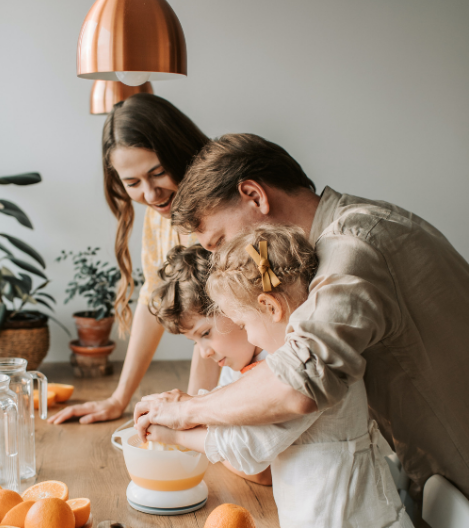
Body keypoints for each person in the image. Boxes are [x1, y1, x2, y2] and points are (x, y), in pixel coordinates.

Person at [134, 132, 469, 500]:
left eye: (218, 242)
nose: (218, 263)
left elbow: (299, 382)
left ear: (254, 196)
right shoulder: (330, 247)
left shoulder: (354, 245)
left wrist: (188, 410)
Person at [147, 226, 413, 527]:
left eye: (243, 324)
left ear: (270, 307)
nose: (250, 335)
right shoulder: (288, 357)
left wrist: (173, 434)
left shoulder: (302, 369)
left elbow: (248, 447)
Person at [48, 94, 219, 425]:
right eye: (132, 183)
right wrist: (118, 399)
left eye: (158, 172)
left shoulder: (218, 205)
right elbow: (153, 297)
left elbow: (216, 317)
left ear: (180, 150)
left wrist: (194, 412)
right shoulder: (161, 212)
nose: (151, 194)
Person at [148, 243, 272, 485]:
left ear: (234, 305)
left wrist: (178, 435)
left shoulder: (277, 357)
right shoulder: (234, 366)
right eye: (195, 342)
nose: (204, 353)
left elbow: (260, 471)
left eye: (205, 333)